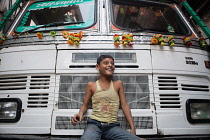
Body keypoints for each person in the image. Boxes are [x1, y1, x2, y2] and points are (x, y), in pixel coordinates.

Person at [71, 55, 142, 140]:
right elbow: (85, 105)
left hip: (112, 126)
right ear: (97, 67)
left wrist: (133, 128)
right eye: (106, 63)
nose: (110, 65)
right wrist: (80, 113)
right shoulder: (91, 85)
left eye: (112, 63)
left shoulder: (118, 84)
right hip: (94, 124)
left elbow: (124, 105)